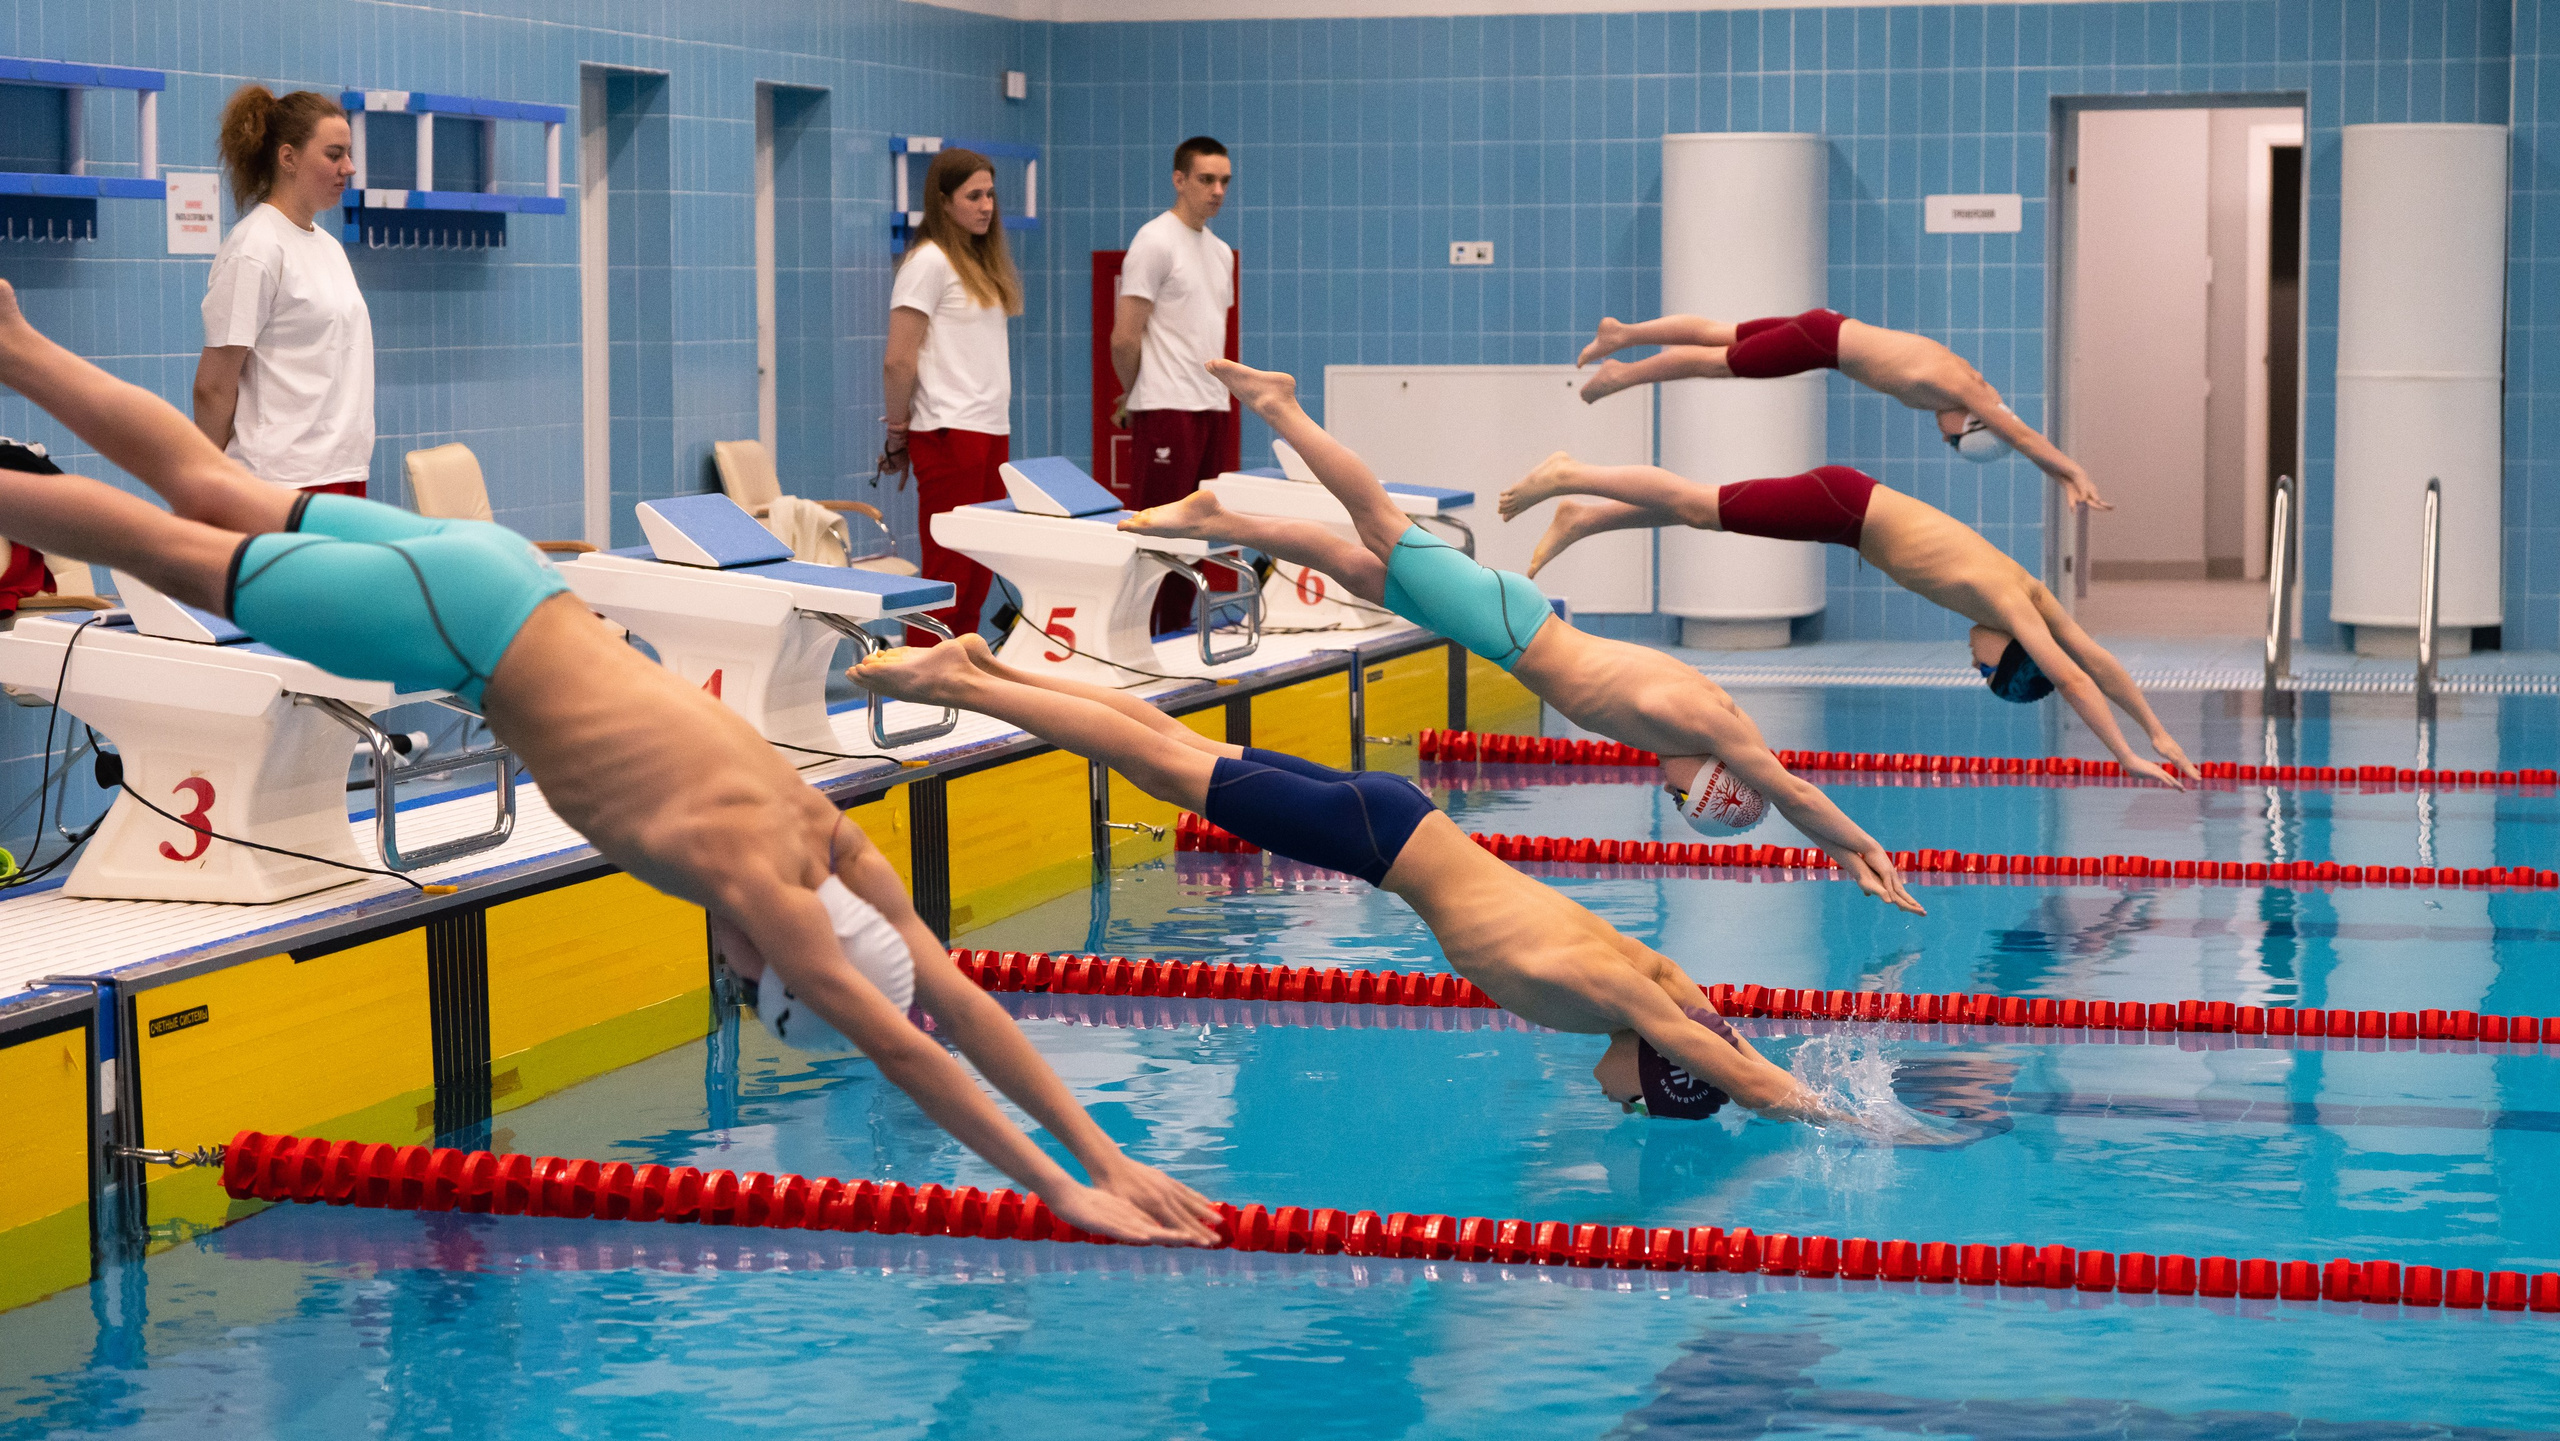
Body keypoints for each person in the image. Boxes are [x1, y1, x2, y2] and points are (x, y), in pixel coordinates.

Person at [0, 282, 1216, 1248]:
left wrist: (1107, 1154)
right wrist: (1056, 1192)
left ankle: (16, 343)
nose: (732, 974)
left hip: (504, 577)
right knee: (161, 541)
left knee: (211, 489)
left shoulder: (829, 841)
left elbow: (945, 994)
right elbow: (907, 1043)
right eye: (754, 988)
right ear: (794, 968)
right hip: (456, 630)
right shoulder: (761, 884)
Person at [852, 634, 1837, 1126]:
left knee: (1168, 744)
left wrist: (1723, 1037)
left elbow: (1702, 1016)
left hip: (1395, 819)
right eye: (1645, 1096)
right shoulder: (1614, 993)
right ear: (1667, 1065)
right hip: (1378, 839)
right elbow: (1728, 1059)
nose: (1621, 1101)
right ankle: (964, 684)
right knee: (1160, 766)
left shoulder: (1642, 971)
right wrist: (1834, 1116)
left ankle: (982, 665)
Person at [1116, 361, 1926, 917]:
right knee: (1379, 524)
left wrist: (1844, 854)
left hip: (1510, 624)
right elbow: (1795, 793)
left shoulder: (1707, 718)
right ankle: (1280, 406)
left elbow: (1788, 790)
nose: (1668, 789)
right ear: (1707, 783)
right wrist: (1860, 849)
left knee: (1359, 569)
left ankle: (1223, 518)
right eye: (1683, 798)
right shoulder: (1706, 728)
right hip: (1507, 627)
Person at [1500, 456, 2199, 788]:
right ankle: (1571, 476)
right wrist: (2126, 751)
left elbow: (2097, 661)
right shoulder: (2013, 607)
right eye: (1987, 669)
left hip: (1850, 516)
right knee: (1696, 501)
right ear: (2016, 651)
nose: (1973, 661)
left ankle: (1586, 514)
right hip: (1846, 506)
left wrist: (2160, 729)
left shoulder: (2033, 600)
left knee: (1700, 511)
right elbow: (2074, 675)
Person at [1574, 310, 2108, 511]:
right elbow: (2022, 436)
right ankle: (1624, 373)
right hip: (1823, 343)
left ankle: (1623, 333)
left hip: (1826, 330)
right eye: (1953, 442)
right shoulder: (1966, 392)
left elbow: (2015, 434)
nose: (1941, 439)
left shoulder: (1965, 391)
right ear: (1972, 426)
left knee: (1720, 333)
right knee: (1717, 363)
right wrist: (2071, 472)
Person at [193, 86, 374, 499]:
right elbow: (213, 386)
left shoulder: (327, 247)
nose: (349, 167)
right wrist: (205, 485)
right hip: (278, 481)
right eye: (334, 154)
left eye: (348, 153)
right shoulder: (255, 247)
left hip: (342, 469)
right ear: (288, 157)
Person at [883, 149, 1020, 646]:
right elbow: (899, 359)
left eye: (990, 194)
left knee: (979, 567)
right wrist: (898, 431)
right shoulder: (927, 263)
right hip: (946, 431)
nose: (986, 206)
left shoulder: (979, 265)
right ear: (943, 202)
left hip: (988, 429)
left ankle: (960, 677)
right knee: (949, 569)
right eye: (974, 196)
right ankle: (921, 677)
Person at [1110, 136, 1235, 633]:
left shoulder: (1221, 252)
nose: (1217, 190)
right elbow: (1125, 336)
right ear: (1179, 180)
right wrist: (1135, 392)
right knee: (1159, 531)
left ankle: (1180, 632)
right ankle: (1142, 633)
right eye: (1207, 179)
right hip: (1164, 405)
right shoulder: (1154, 241)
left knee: (1199, 530)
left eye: (1225, 181)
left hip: (1211, 404)